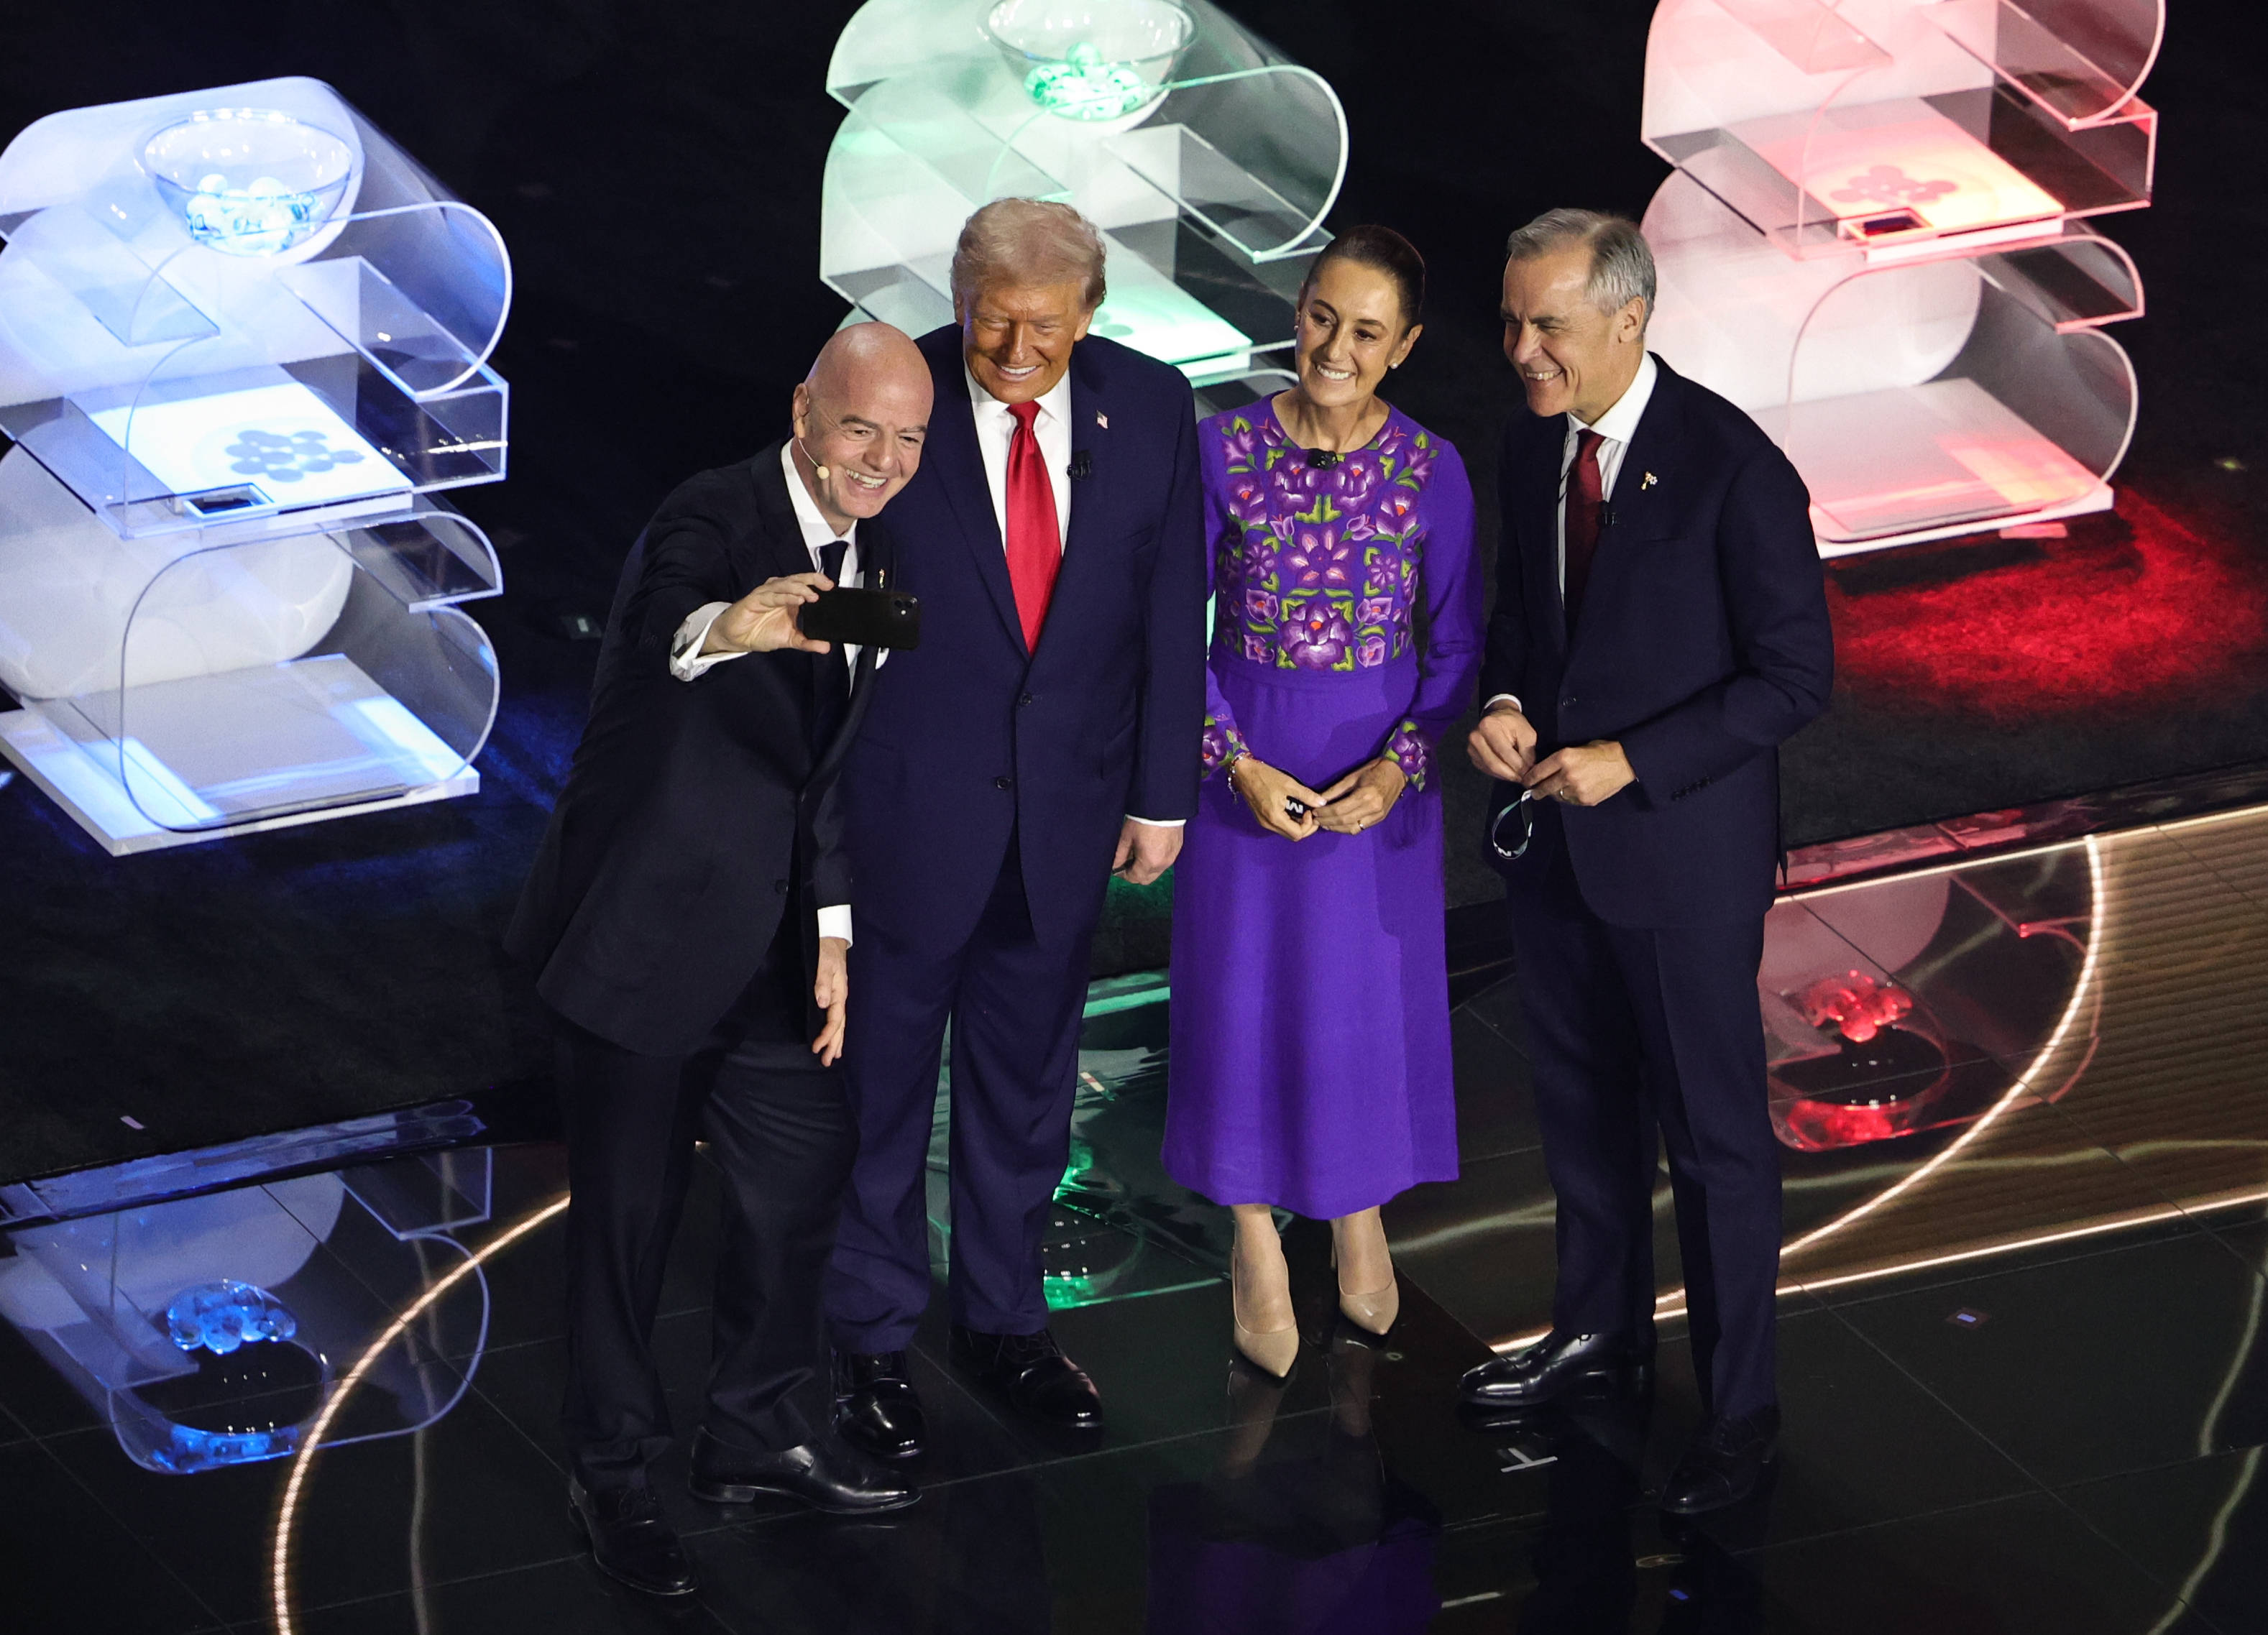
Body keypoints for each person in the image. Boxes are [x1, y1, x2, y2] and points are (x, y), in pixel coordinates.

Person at [505, 323, 935, 1597]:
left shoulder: (882, 549)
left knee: (794, 1197)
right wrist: (733, 628)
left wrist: (837, 931)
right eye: (863, 429)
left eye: (909, 439)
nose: (883, 460)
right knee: (627, 1232)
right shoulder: (714, 513)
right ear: (806, 409)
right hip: (645, 941)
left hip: (778, 950)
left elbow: (831, 771)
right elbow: (664, 629)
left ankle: (756, 1435)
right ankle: (617, 1475)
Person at [1456, 210, 1833, 1514]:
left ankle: (1739, 1415)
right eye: (1512, 321)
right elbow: (1523, 618)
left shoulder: (1736, 469)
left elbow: (1795, 678)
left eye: (1546, 325)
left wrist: (1634, 760)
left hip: (1680, 861)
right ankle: (1599, 1333)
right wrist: (1502, 700)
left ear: (1630, 319)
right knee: (1579, 1106)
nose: (1521, 351)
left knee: (1714, 1140)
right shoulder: (1530, 449)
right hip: (1559, 852)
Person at [825, 198, 1207, 1457]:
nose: (1018, 348)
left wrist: (1161, 793)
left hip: (1067, 823)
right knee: (882, 1097)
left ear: (1091, 313)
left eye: (1045, 324)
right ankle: (872, 1342)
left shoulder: (1148, 409)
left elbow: (1166, 607)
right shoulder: (900, 393)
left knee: (1027, 1092)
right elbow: (837, 590)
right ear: (958, 297)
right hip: (909, 818)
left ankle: (1005, 1321)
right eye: (994, 322)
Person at [1158, 226, 1479, 1377]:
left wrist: (1399, 765)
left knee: (1361, 1000)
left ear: (1406, 348)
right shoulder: (1219, 450)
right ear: (1296, 312)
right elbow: (1167, 626)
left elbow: (1457, 650)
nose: (1335, 347)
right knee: (1240, 996)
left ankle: (1355, 1206)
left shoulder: (1434, 469)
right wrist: (1229, 758)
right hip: (1245, 762)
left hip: (1374, 779)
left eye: (1367, 331)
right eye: (1320, 317)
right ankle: (1250, 1229)